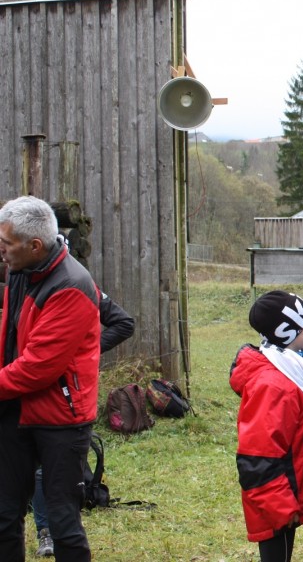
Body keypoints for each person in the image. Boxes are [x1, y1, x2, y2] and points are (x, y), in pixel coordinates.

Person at [0, 195, 100, 562]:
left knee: (62, 521)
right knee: (4, 514)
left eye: (6, 243)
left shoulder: (71, 285)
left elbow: (37, 368)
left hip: (60, 420)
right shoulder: (19, 269)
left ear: (34, 245)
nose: (1, 249)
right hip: (14, 410)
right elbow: (11, 338)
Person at [230, 290, 303, 562]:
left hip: (285, 494)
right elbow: (258, 455)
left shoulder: (291, 370)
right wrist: (281, 508)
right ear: (287, 331)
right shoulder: (274, 385)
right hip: (275, 504)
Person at [32, 290, 136, 557]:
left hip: (64, 397)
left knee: (49, 465)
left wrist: (83, 350)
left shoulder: (80, 284)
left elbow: (124, 323)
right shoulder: (21, 282)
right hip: (23, 380)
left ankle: (49, 532)